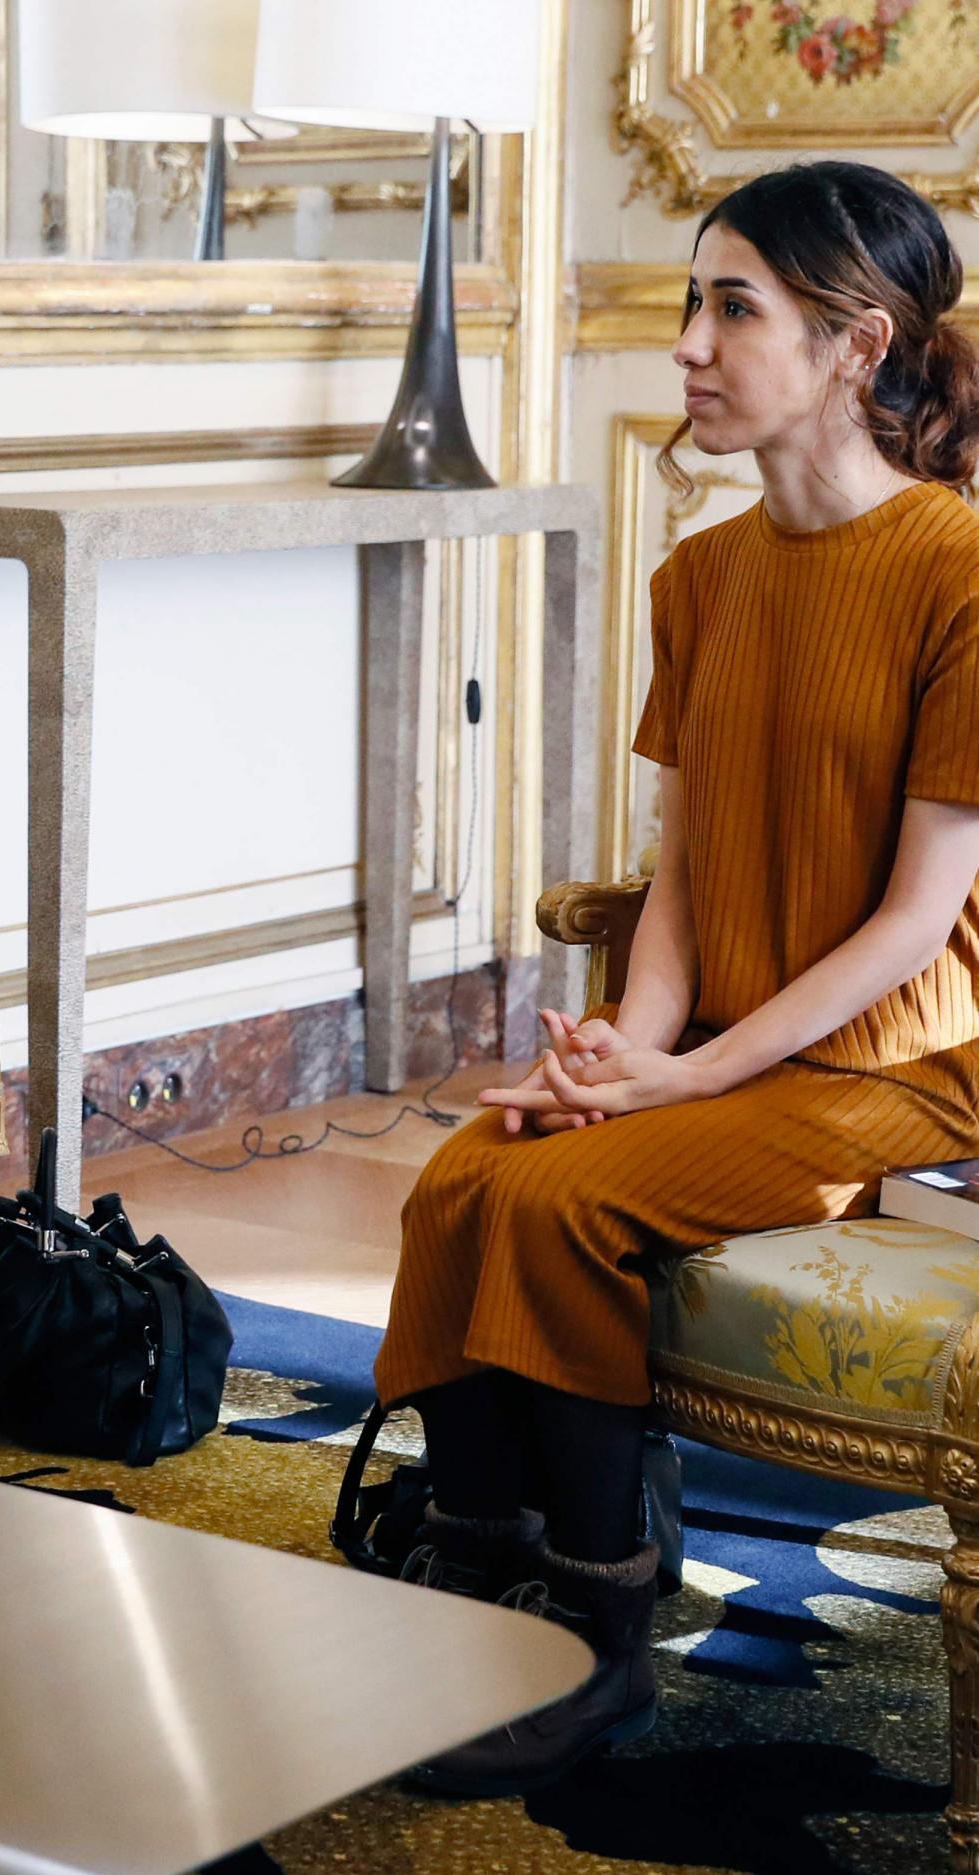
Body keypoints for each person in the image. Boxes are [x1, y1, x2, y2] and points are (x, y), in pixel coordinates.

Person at [376, 159, 979, 1795]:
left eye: (735, 307)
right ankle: (474, 1589)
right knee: (468, 1179)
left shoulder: (958, 570)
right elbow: (690, 877)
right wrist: (616, 1051)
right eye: (689, 304)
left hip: (891, 1065)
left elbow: (920, 921)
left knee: (564, 1207)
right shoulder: (699, 576)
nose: (692, 346)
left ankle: (596, 1645)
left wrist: (692, 1078)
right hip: (723, 1039)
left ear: (856, 345)